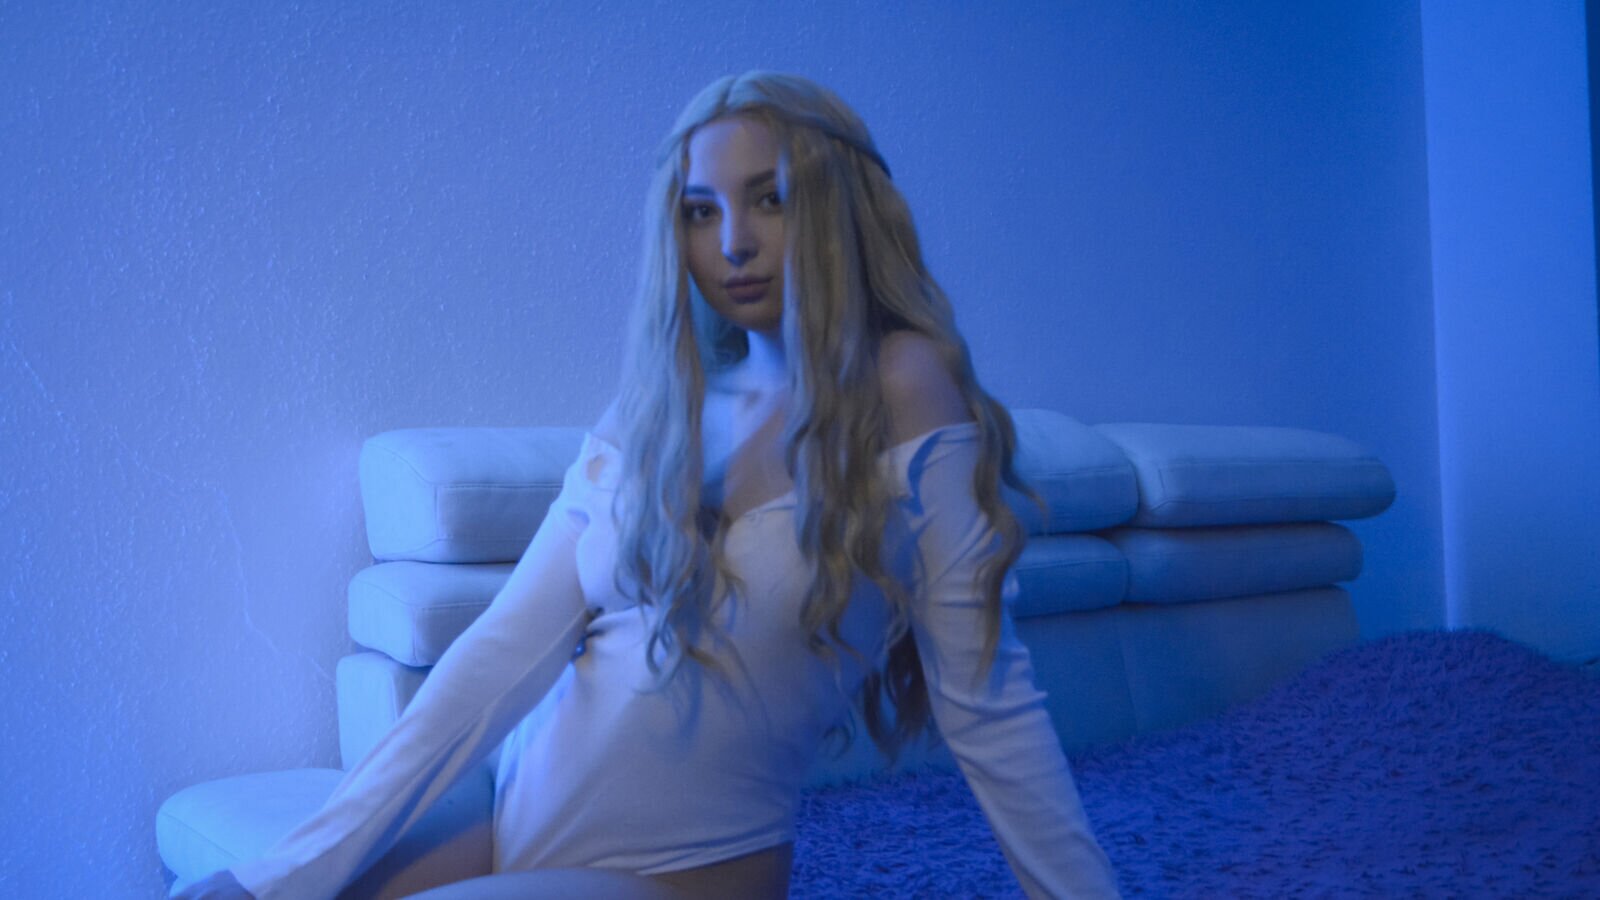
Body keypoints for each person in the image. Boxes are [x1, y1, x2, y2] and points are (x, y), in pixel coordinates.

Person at [173, 71, 1122, 900]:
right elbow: (503, 653)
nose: (734, 242)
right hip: (511, 821)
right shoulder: (659, 408)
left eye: (771, 199)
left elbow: (988, 703)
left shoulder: (905, 387)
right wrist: (277, 876)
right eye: (702, 211)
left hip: (680, 875)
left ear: (839, 206)